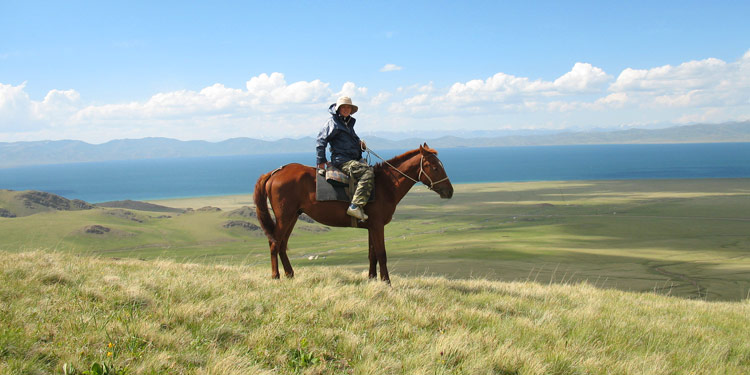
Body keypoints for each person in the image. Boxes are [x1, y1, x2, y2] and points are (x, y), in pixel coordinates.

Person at [316, 96, 373, 221]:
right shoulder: (333, 123)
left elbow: (353, 139)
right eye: (343, 107)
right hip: (342, 160)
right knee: (367, 172)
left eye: (349, 107)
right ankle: (355, 206)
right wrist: (321, 161)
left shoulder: (347, 123)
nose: (346, 109)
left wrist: (360, 144)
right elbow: (321, 140)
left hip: (352, 158)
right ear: (338, 108)